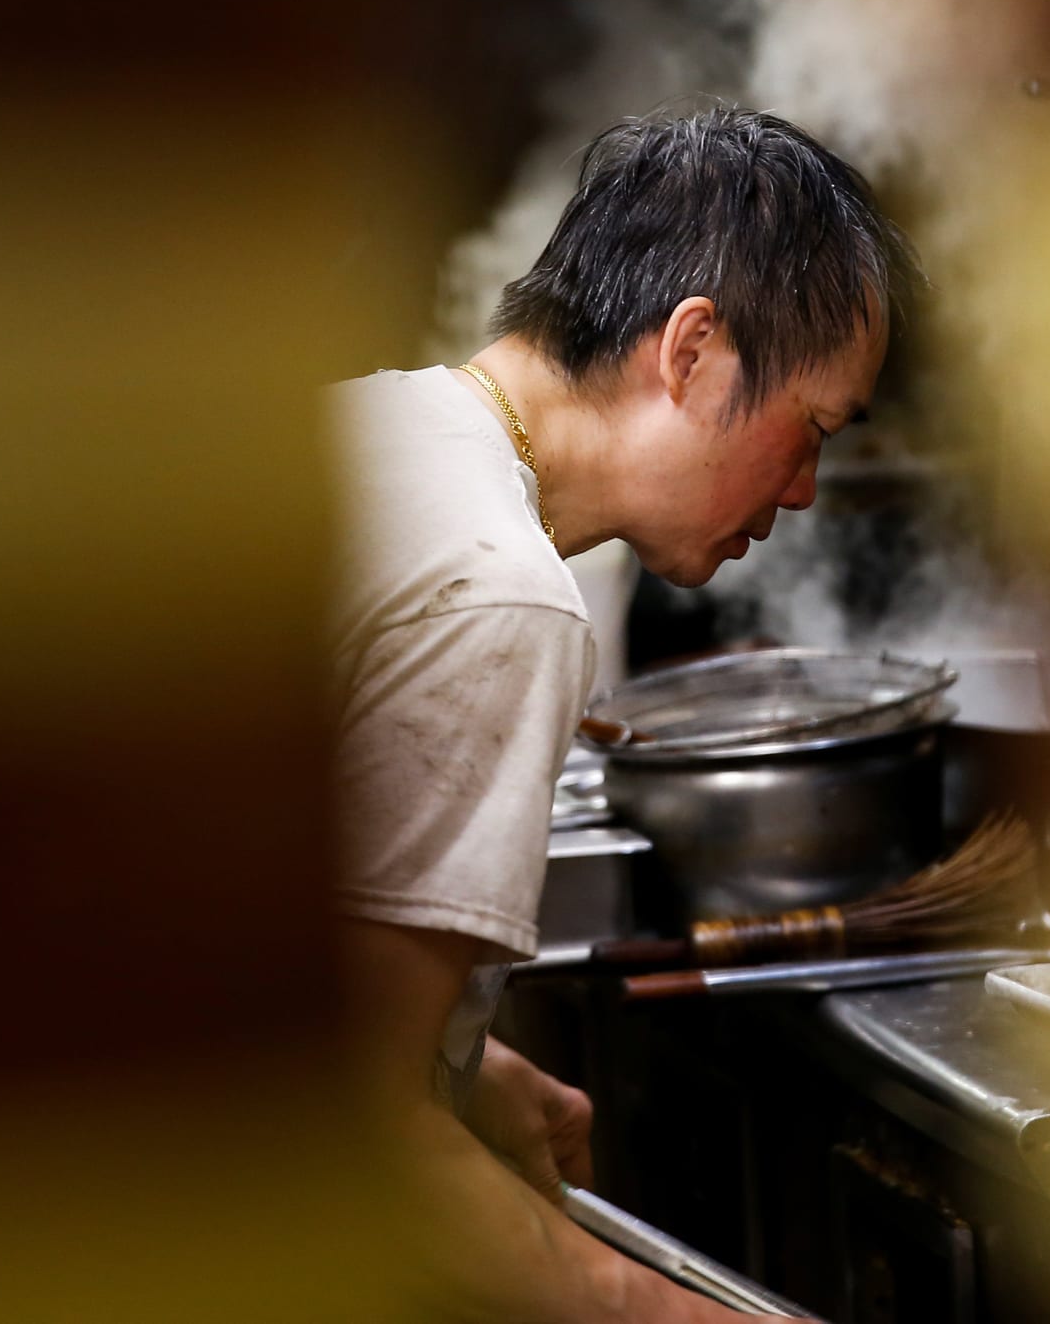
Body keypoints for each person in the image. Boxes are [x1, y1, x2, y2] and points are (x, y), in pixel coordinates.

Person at [329, 107, 919, 1321]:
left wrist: (462, 1065)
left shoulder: (378, 427)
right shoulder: (498, 594)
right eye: (811, 428)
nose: (806, 490)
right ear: (692, 349)